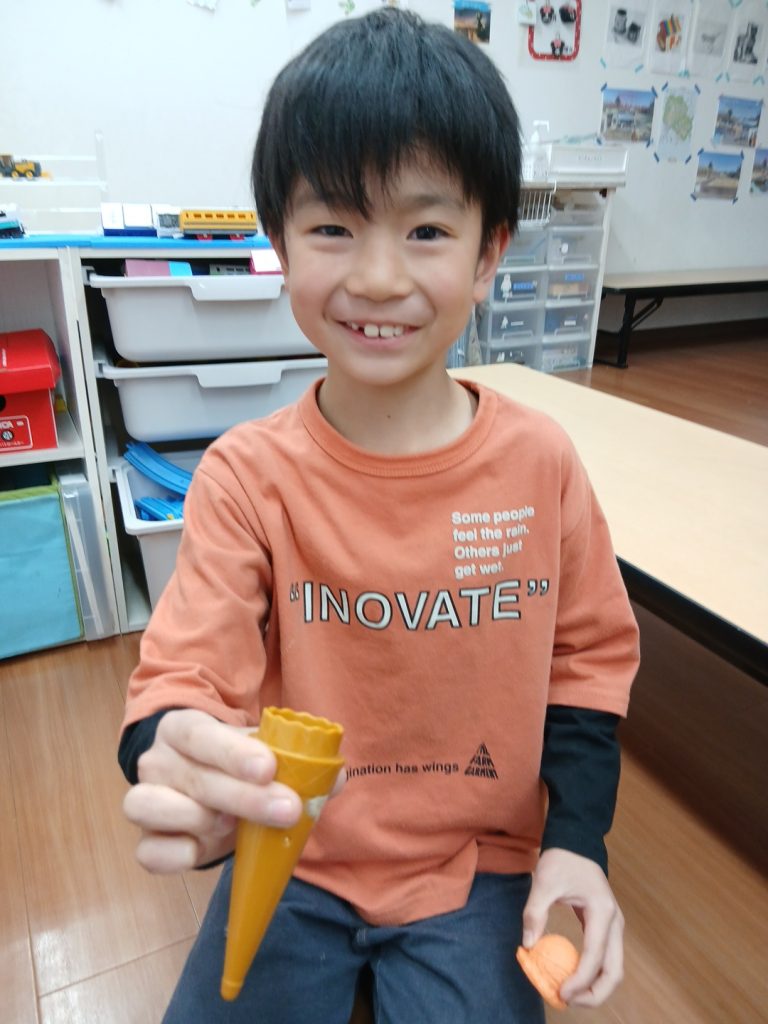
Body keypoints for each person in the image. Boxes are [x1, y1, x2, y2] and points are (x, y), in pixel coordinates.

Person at [118, 9, 640, 1022]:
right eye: (332, 227)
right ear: (280, 244)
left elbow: (586, 664)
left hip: (478, 860)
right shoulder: (245, 475)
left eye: (427, 230)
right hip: (292, 843)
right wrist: (173, 748)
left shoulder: (540, 462)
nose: (377, 277)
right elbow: (183, 675)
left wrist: (577, 838)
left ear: (488, 253)